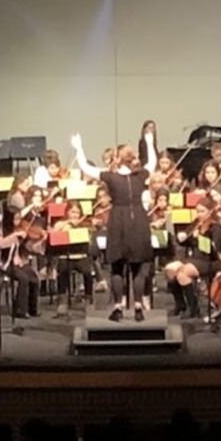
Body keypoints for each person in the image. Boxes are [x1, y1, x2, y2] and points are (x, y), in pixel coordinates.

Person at [71, 127, 156, 322]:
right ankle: (138, 308)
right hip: (139, 220)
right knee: (137, 269)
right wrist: (150, 143)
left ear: (117, 158)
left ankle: (118, 308)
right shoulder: (141, 175)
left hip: (118, 219)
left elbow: (86, 168)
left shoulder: (110, 177)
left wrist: (79, 148)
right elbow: (153, 162)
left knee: (117, 268)